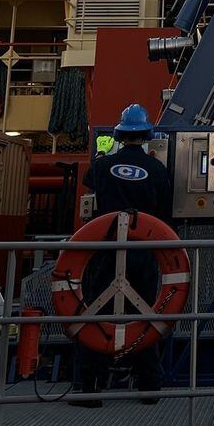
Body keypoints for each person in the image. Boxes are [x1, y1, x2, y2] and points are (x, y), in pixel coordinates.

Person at [72, 103, 174, 407]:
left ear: (119, 132)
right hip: (142, 255)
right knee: (143, 314)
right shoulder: (157, 169)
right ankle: (149, 388)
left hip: (105, 250)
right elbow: (165, 213)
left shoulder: (103, 165)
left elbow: (90, 190)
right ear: (146, 135)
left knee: (97, 315)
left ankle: (91, 389)